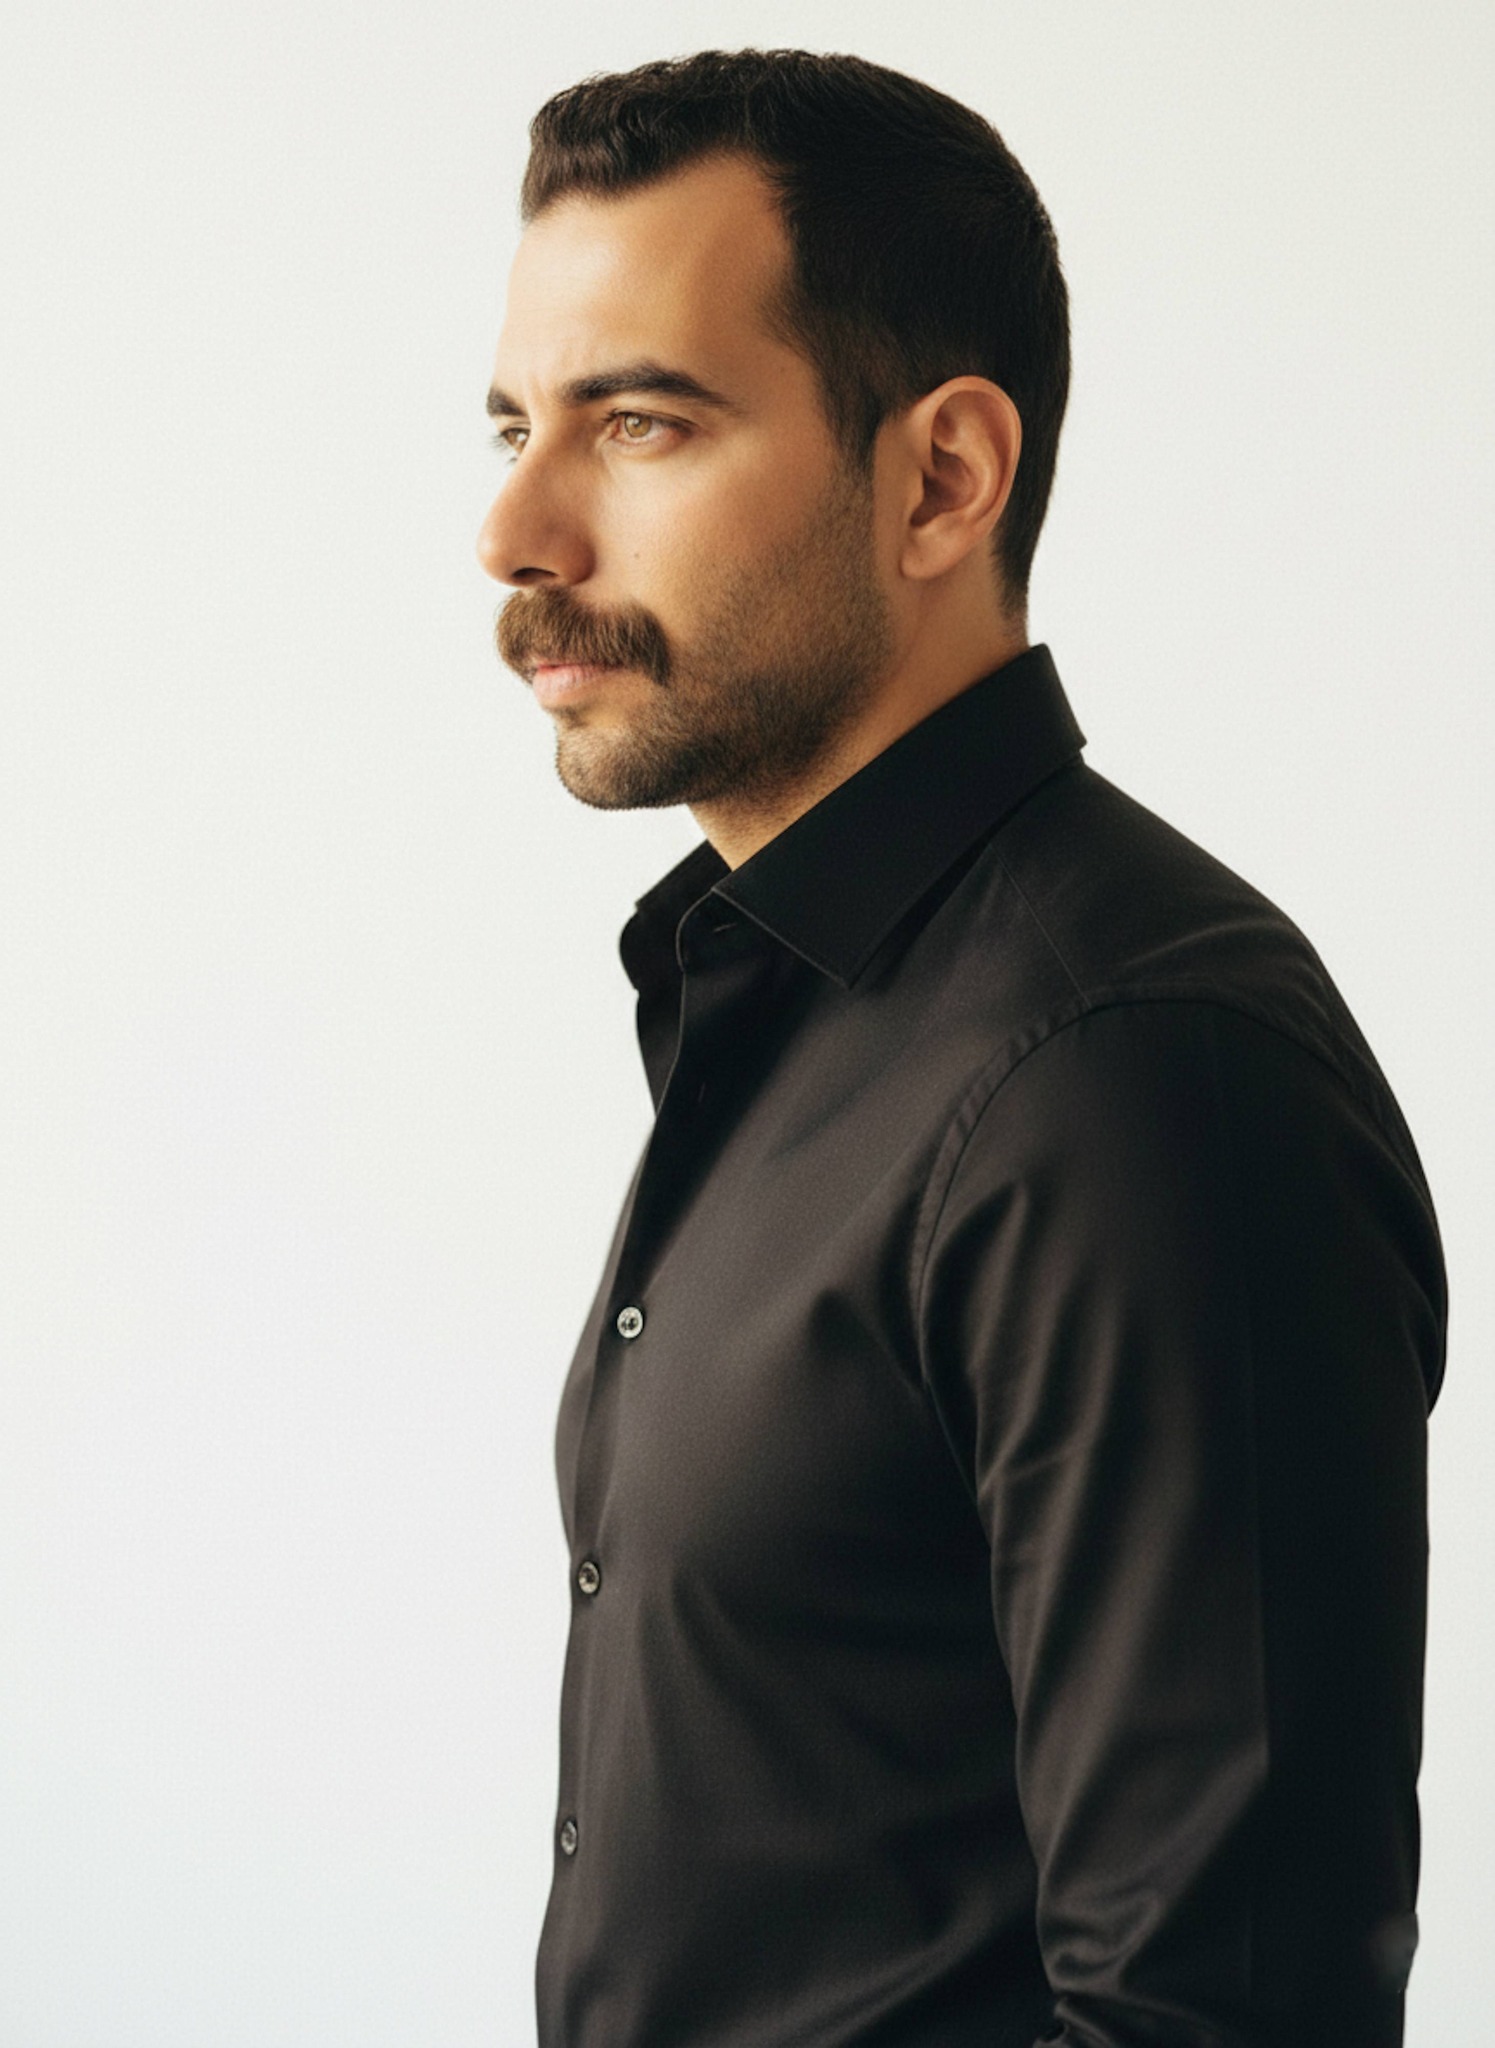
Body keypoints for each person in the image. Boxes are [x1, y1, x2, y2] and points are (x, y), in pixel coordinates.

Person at [476, 49, 1446, 2048]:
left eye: (637, 422)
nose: (515, 525)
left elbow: (1220, 2013)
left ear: (940, 476)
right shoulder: (785, 996)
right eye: (508, 424)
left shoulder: (1132, 1071)